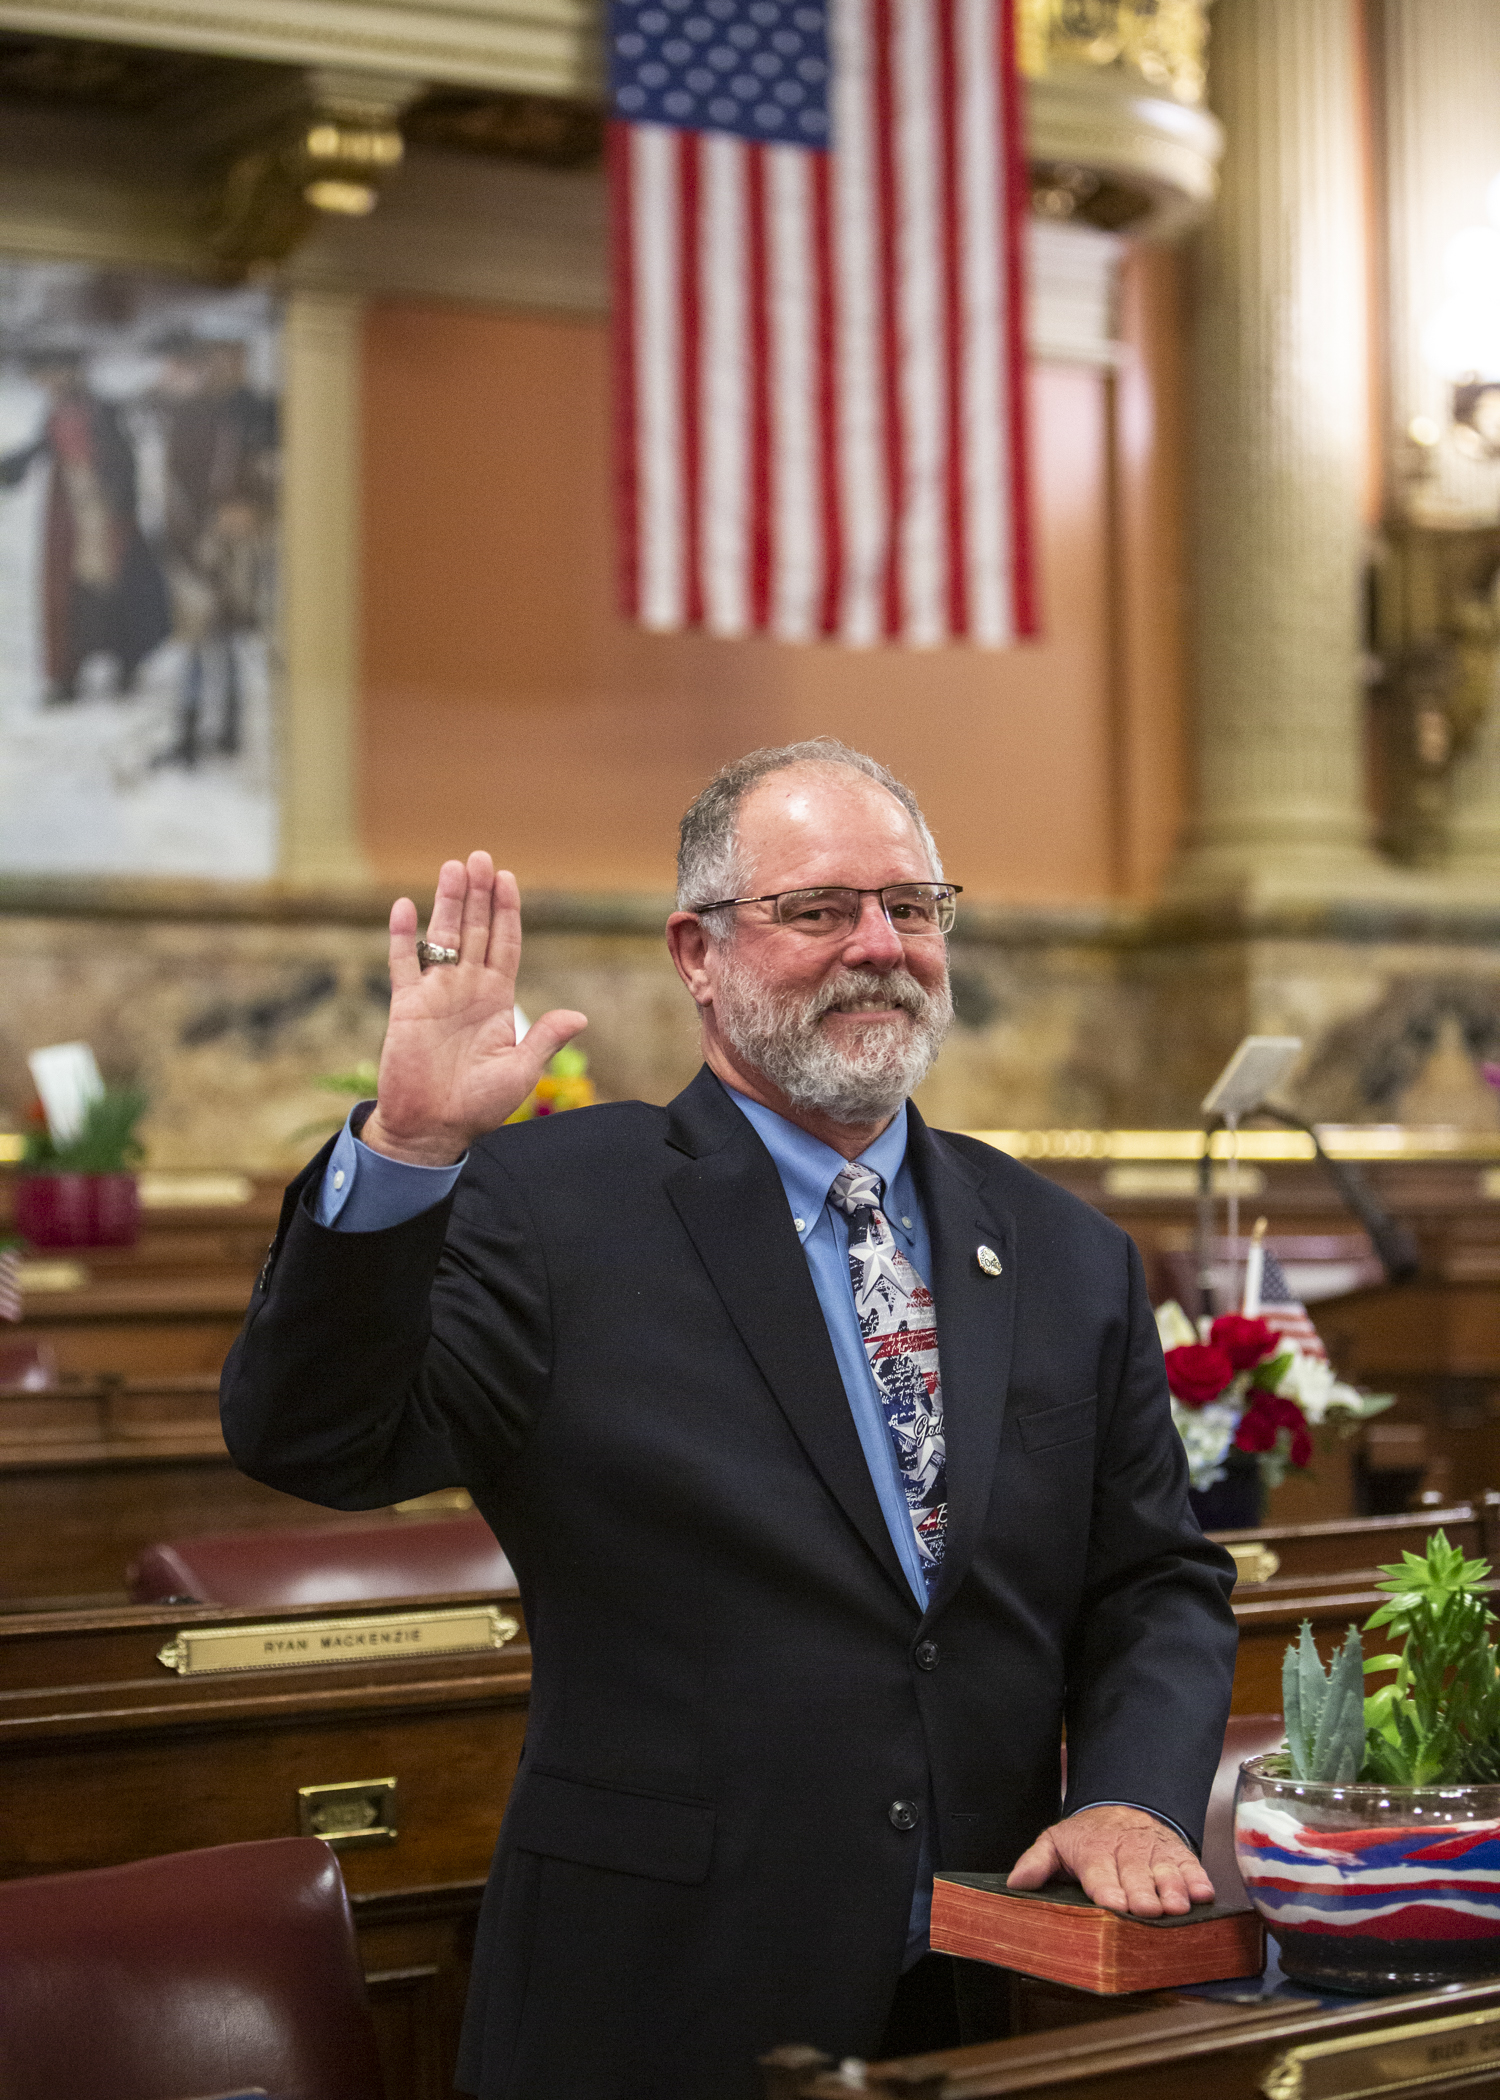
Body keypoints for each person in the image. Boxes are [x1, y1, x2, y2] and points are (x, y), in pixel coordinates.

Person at [221, 740, 1237, 2100]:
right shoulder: (552, 1209)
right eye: (819, 910)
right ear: (697, 952)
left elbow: (1157, 1579)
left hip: (1001, 1991)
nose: (878, 946)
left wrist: (1134, 1792)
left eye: (913, 907)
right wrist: (407, 1157)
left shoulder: (1063, 1248)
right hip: (662, 1994)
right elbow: (315, 1442)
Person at [0, 346, 170, 705]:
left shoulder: (103, 409)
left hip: (105, 515)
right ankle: (66, 676)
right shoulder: (56, 412)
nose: (49, 383)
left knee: (117, 589)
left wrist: (117, 504)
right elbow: (39, 450)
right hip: (68, 515)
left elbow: (125, 461)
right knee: (66, 594)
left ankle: (126, 666)